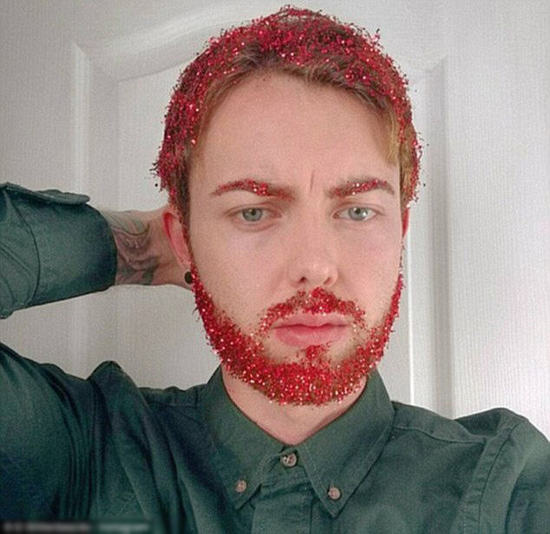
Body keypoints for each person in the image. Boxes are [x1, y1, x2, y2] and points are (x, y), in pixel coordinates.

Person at [1, 6, 548, 533]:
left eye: (358, 211)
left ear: (400, 230)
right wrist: (143, 249)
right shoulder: (81, 454)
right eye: (254, 212)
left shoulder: (504, 489)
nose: (314, 267)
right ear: (184, 239)